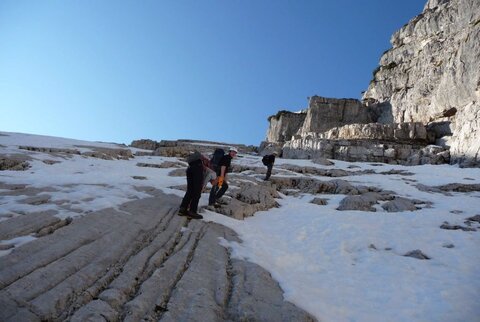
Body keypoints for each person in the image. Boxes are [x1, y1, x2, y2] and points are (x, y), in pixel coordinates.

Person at [178, 151, 206, 219]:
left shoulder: (195, 158)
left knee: (190, 190)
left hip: (190, 168)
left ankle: (182, 209)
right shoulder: (202, 161)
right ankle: (192, 211)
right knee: (197, 191)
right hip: (197, 168)